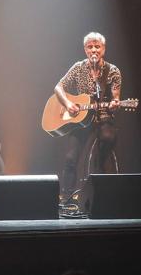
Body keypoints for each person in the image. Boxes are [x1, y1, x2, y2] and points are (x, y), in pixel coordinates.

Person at [53, 32, 122, 198]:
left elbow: (116, 99)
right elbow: (58, 87)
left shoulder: (112, 71)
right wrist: (68, 104)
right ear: (85, 50)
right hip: (82, 119)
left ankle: (104, 190)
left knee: (107, 137)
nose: (94, 50)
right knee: (70, 157)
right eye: (90, 47)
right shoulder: (78, 67)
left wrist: (115, 105)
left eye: (97, 46)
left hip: (103, 115)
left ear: (103, 49)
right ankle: (66, 197)